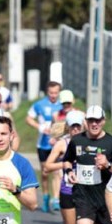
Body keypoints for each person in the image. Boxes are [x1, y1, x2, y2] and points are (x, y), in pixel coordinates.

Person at [43, 110, 86, 224]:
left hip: (86, 193)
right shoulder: (62, 143)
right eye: (72, 126)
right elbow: (47, 166)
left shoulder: (89, 142)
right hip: (67, 191)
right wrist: (66, 163)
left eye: (78, 125)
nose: (75, 129)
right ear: (68, 126)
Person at [26, 81, 63, 213]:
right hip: (42, 144)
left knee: (58, 172)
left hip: (58, 145)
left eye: (56, 93)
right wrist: (39, 127)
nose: (53, 95)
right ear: (47, 92)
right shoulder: (40, 104)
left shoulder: (62, 105)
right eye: (51, 93)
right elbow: (28, 118)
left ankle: (56, 198)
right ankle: (46, 196)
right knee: (45, 172)